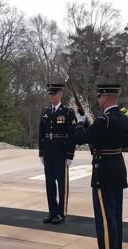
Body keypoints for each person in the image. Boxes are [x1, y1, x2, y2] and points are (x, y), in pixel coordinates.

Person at [74, 84, 128, 249]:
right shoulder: (124, 119)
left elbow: (80, 138)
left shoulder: (103, 120)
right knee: (115, 217)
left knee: (105, 220)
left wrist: (80, 121)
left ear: (105, 97)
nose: (98, 100)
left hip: (103, 172)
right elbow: (123, 142)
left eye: (99, 97)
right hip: (118, 169)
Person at [38, 83, 77, 225]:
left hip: (61, 153)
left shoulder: (68, 112)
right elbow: (41, 134)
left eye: (54, 94)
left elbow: (72, 135)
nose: (52, 97)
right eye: (50, 94)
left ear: (60, 94)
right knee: (50, 184)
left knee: (62, 184)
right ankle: (52, 211)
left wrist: (70, 155)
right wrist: (41, 152)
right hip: (48, 152)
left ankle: (61, 212)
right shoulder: (45, 112)